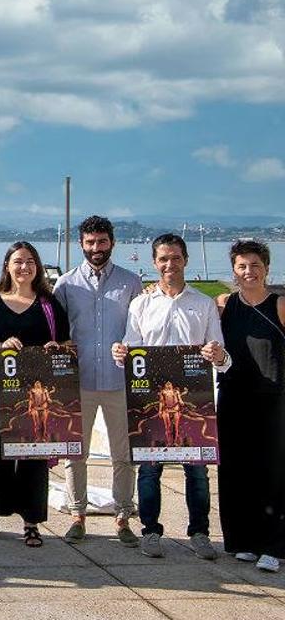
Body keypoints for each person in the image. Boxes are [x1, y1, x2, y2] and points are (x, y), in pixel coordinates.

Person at [112, 233, 230, 560]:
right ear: (154, 263)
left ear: (185, 260)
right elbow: (129, 351)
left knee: (198, 472)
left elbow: (223, 359)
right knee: (149, 470)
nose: (169, 265)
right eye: (163, 259)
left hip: (194, 399)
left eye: (175, 258)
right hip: (150, 400)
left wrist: (217, 354)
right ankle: (150, 531)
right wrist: (119, 353)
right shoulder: (141, 304)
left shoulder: (203, 304)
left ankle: (200, 533)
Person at [0, 241, 70, 548]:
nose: (24, 267)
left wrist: (57, 349)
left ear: (37, 267)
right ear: (7, 266)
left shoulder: (50, 306)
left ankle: (31, 522)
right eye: (18, 261)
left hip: (38, 392)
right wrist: (1, 346)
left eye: (30, 261)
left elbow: (66, 345)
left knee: (34, 455)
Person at [53, 216, 143, 546]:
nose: (96, 248)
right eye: (90, 243)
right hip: (80, 380)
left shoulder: (131, 282)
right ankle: (77, 514)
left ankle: (123, 515)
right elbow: (58, 332)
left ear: (112, 242)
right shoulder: (66, 284)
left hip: (120, 381)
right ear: (81, 244)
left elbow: (140, 330)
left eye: (102, 242)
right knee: (76, 452)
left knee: (125, 453)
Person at [216, 240, 285, 572]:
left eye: (255, 265)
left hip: (273, 398)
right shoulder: (224, 304)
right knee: (236, 470)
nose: (248, 272)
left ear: (266, 268)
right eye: (242, 266)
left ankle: (274, 545)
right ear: (233, 270)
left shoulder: (280, 305)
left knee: (272, 471)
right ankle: (244, 540)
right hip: (233, 395)